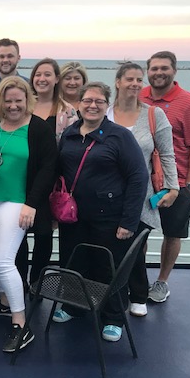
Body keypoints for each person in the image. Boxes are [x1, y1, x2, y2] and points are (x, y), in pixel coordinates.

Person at [0, 76, 57, 352]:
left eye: (19, 100)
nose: (14, 106)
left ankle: (21, 323)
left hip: (17, 201)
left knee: (3, 259)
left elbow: (48, 169)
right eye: (9, 101)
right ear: (0, 102)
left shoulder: (38, 128)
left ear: (27, 100)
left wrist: (32, 203)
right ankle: (5, 302)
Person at [54, 82, 148, 343]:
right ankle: (74, 305)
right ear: (79, 104)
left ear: (107, 106)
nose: (92, 105)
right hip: (74, 216)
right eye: (87, 101)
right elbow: (59, 173)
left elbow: (138, 177)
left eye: (99, 101)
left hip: (110, 215)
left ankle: (114, 317)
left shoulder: (119, 136)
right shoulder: (70, 134)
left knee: (110, 267)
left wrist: (129, 221)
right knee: (74, 262)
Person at [107, 62, 179, 317]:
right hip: (106, 194)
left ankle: (137, 294)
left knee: (134, 246)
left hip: (141, 193)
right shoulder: (104, 112)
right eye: (130, 79)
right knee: (111, 245)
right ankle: (111, 294)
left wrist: (174, 187)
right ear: (118, 82)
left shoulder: (153, 115)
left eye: (139, 79)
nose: (135, 84)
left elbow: (167, 153)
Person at [140, 51, 190, 302]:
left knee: (172, 233)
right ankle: (138, 278)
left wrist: (189, 184)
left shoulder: (189, 103)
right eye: (154, 68)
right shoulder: (138, 97)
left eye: (164, 68)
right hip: (142, 181)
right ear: (148, 71)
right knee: (138, 233)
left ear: (174, 70)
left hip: (174, 182)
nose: (159, 73)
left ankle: (161, 282)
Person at [16, 58, 78, 289]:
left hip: (51, 181)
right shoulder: (23, 106)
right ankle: (19, 280)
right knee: (18, 234)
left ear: (56, 79)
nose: (41, 79)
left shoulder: (67, 112)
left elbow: (72, 148)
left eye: (47, 74)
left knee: (44, 233)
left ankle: (37, 281)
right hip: (20, 179)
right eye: (37, 74)